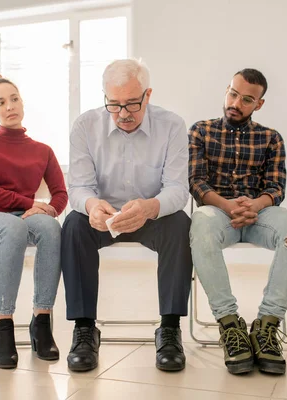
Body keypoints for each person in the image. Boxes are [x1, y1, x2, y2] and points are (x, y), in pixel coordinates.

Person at [61, 59, 192, 373]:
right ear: (105, 97)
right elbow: (78, 187)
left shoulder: (172, 125)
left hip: (151, 216)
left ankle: (170, 329)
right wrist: (92, 206)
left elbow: (177, 189)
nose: (123, 114)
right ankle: (84, 329)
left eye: (132, 104)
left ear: (148, 95)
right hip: (103, 216)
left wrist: (149, 208)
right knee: (74, 225)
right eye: (114, 104)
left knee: (181, 225)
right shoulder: (84, 126)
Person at [188, 69, 287, 376]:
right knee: (199, 226)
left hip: (258, 215)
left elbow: (276, 187)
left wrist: (254, 204)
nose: (236, 103)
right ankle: (231, 327)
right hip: (217, 213)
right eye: (232, 93)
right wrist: (228, 206)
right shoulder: (201, 131)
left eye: (246, 99)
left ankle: (266, 327)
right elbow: (196, 182)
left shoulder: (271, 138)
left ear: (260, 104)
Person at [0, 74, 67, 369]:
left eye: (14, 99)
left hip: (21, 216)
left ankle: (42, 320)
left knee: (50, 228)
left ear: (22, 102)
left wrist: (49, 211)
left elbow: (60, 193)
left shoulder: (42, 150)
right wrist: (27, 203)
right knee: (13, 227)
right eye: (0, 102)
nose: (9, 106)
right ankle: (3, 325)